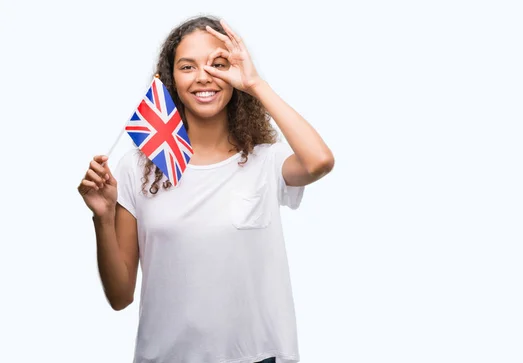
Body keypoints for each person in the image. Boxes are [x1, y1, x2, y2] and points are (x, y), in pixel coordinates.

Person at [77, 14, 334, 363]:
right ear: (171, 78)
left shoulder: (265, 162)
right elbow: (120, 296)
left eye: (218, 64)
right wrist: (103, 217)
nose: (203, 77)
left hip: (254, 357)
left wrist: (255, 82)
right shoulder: (137, 168)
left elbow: (319, 160)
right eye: (187, 67)